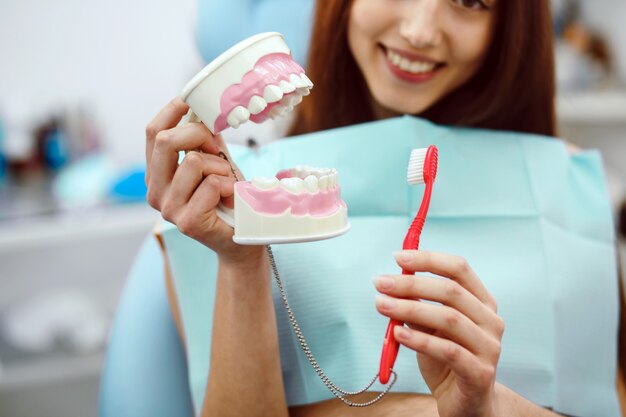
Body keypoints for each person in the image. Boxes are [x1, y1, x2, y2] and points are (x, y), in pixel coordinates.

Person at [143, 1, 625, 416]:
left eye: (470, 0)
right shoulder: (218, 202)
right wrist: (241, 261)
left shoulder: (569, 195)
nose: (419, 31)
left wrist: (491, 407)